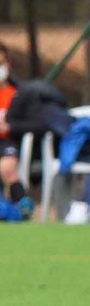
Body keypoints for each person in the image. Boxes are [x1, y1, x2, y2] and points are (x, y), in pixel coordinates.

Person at [0, 42, 34, 219]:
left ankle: (22, 206)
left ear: (8, 65)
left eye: (1, 63)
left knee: (6, 167)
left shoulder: (20, 93)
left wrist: (11, 127)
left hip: (8, 141)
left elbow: (36, 123)